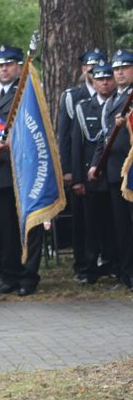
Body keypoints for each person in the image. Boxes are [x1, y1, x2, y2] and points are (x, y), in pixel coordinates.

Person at [0, 45, 41, 296]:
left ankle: (29, 276)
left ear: (18, 67)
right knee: (4, 229)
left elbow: (37, 133)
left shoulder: (28, 92)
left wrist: (13, 143)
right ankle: (8, 274)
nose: (4, 69)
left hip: (24, 171)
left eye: (9, 64)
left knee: (28, 226)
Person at [56, 48, 105, 279]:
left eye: (99, 66)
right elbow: (65, 136)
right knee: (82, 221)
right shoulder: (72, 96)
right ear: (83, 69)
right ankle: (84, 265)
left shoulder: (112, 95)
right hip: (81, 168)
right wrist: (69, 171)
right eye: (90, 67)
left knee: (106, 219)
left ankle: (107, 261)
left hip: (105, 169)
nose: (94, 71)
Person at [90, 49, 133, 288]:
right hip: (117, 172)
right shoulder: (111, 103)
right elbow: (103, 138)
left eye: (125, 68)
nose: (120, 73)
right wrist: (96, 164)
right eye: (116, 69)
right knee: (122, 228)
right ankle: (126, 274)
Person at [71, 63, 116, 284]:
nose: (104, 83)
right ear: (93, 82)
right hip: (92, 177)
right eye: (100, 79)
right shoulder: (83, 107)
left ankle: (114, 264)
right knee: (91, 225)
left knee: (115, 223)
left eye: (108, 79)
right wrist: (77, 178)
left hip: (116, 174)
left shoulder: (121, 105)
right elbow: (76, 144)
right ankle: (89, 268)